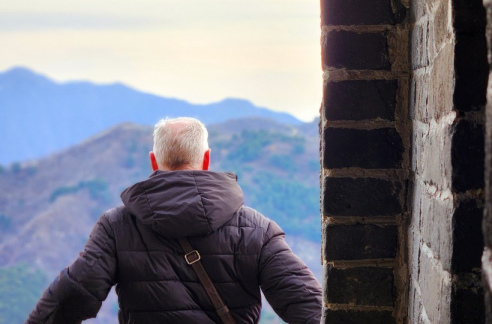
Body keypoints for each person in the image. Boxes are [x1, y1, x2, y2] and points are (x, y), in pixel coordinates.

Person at [26, 117, 322, 324]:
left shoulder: (116, 227)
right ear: (206, 160)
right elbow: (311, 308)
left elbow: (72, 296)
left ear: (154, 162)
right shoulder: (257, 230)